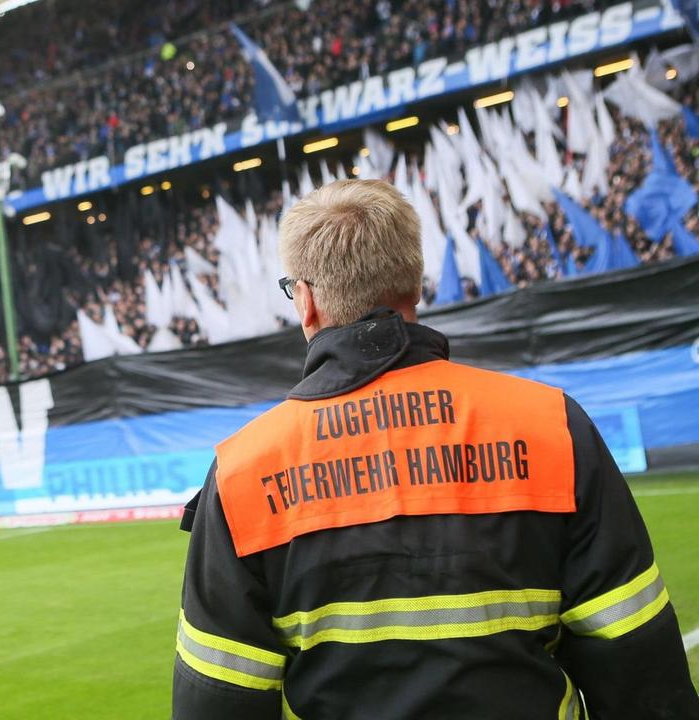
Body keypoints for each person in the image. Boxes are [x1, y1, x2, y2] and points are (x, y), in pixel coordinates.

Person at [172, 180, 699, 719]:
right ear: (416, 283)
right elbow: (640, 669)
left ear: (305, 300)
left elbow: (216, 702)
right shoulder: (552, 425)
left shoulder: (244, 472)